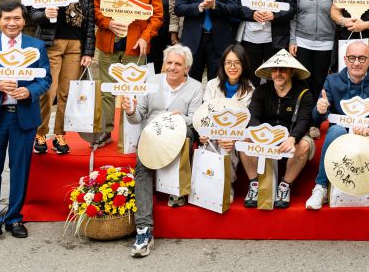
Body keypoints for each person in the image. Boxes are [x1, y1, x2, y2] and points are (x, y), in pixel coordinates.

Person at [0, 2, 52, 246]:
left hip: (23, 117)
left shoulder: (36, 47)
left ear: (24, 20)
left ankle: (14, 218)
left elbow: (45, 79)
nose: (12, 23)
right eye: (7, 19)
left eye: (16, 18)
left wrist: (30, 91)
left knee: (20, 170)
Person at [123, 44, 203, 257]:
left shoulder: (196, 87)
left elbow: (195, 119)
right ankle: (144, 230)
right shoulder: (151, 81)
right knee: (142, 168)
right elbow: (138, 116)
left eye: (178, 64)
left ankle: (178, 189)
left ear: (186, 68)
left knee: (188, 134)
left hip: (179, 134)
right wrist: (130, 111)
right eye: (169, 62)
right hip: (152, 134)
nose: (172, 67)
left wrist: (180, 118)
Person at [306, 41, 369, 211]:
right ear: (345, 60)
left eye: (362, 58)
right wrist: (320, 110)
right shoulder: (332, 80)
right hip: (341, 133)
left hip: (367, 131)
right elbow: (317, 116)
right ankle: (321, 186)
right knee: (335, 130)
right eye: (352, 58)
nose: (356, 63)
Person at [92, 0, 164, 147]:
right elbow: (95, 9)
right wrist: (108, 23)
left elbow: (157, 15)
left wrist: (145, 37)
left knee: (133, 91)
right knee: (106, 90)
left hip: (135, 45)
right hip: (108, 43)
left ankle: (131, 135)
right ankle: (105, 131)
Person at [28, 0, 96, 155]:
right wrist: (46, 14)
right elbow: (32, 13)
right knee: (48, 92)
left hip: (75, 46)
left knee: (67, 93)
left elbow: (90, 23)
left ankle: (60, 134)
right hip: (51, 44)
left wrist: (88, 52)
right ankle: (40, 133)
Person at [240, 50, 314, 209]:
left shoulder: (304, 93)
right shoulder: (261, 91)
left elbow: (304, 121)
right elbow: (253, 117)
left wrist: (293, 137)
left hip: (292, 135)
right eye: (275, 69)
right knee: (244, 139)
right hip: (265, 135)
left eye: (283, 69)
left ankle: (285, 185)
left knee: (305, 144)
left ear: (292, 72)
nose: (278, 73)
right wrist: (260, 135)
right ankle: (254, 184)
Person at [289, 0, 341, 138]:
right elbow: (293, 15)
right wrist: (292, 39)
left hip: (326, 42)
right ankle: (299, 121)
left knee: (319, 82)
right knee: (302, 82)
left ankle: (314, 123)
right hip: (302, 40)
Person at [200, 45, 255, 192]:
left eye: (237, 63)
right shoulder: (212, 85)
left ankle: (225, 186)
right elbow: (205, 114)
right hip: (212, 132)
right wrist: (204, 133)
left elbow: (244, 122)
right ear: (223, 64)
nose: (232, 67)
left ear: (243, 65)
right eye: (228, 63)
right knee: (211, 140)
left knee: (226, 143)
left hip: (234, 135)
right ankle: (208, 186)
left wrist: (232, 139)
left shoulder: (250, 90)